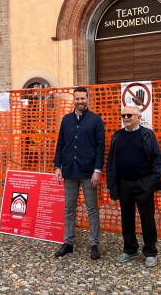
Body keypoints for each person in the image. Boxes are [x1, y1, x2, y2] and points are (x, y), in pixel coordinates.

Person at [106, 105, 161, 267]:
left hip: (144, 183)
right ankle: (130, 249)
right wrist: (112, 185)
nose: (125, 118)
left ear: (138, 117)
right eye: (123, 115)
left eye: (129, 115)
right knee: (126, 218)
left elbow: (157, 158)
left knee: (147, 218)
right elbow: (111, 162)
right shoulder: (117, 136)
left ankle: (150, 252)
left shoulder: (147, 135)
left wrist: (152, 180)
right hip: (124, 183)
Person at [53, 87, 105, 260]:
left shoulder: (95, 120)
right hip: (69, 170)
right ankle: (68, 242)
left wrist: (97, 170)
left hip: (89, 172)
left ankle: (94, 244)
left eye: (83, 98)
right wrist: (57, 167)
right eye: (77, 99)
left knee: (92, 208)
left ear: (87, 99)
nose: (80, 101)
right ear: (73, 100)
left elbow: (100, 147)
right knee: (69, 208)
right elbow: (60, 144)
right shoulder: (66, 119)